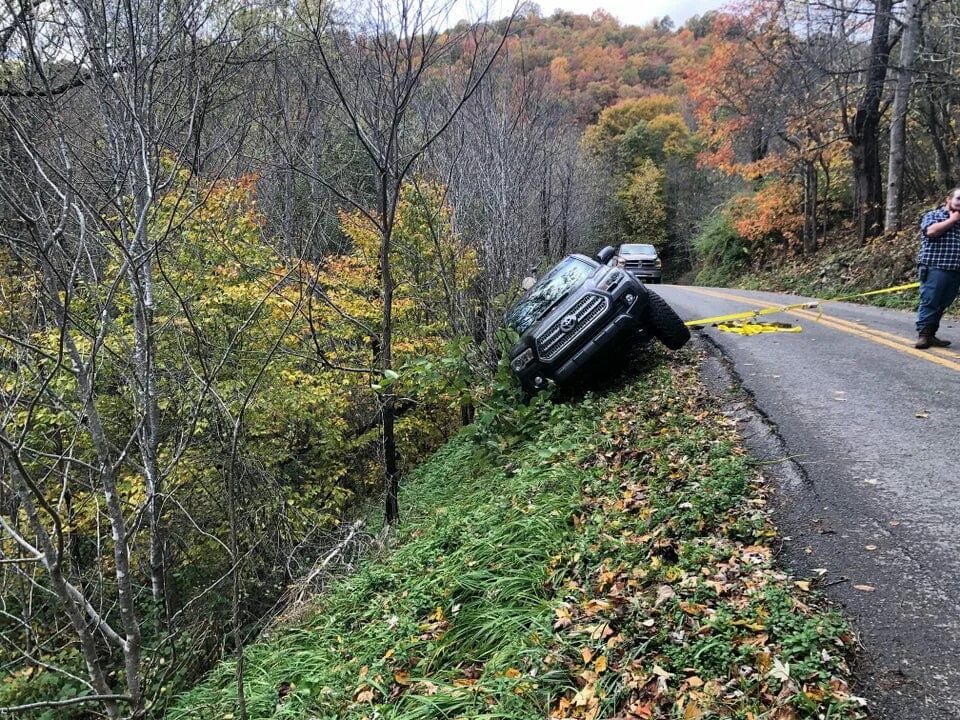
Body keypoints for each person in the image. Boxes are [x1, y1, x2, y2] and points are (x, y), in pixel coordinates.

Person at [915, 187, 960, 349]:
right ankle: (923, 336)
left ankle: (931, 334)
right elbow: (931, 232)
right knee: (930, 301)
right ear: (948, 199)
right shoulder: (933, 215)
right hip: (935, 267)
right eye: (958, 199)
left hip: (955, 270)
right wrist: (952, 220)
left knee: (943, 303)